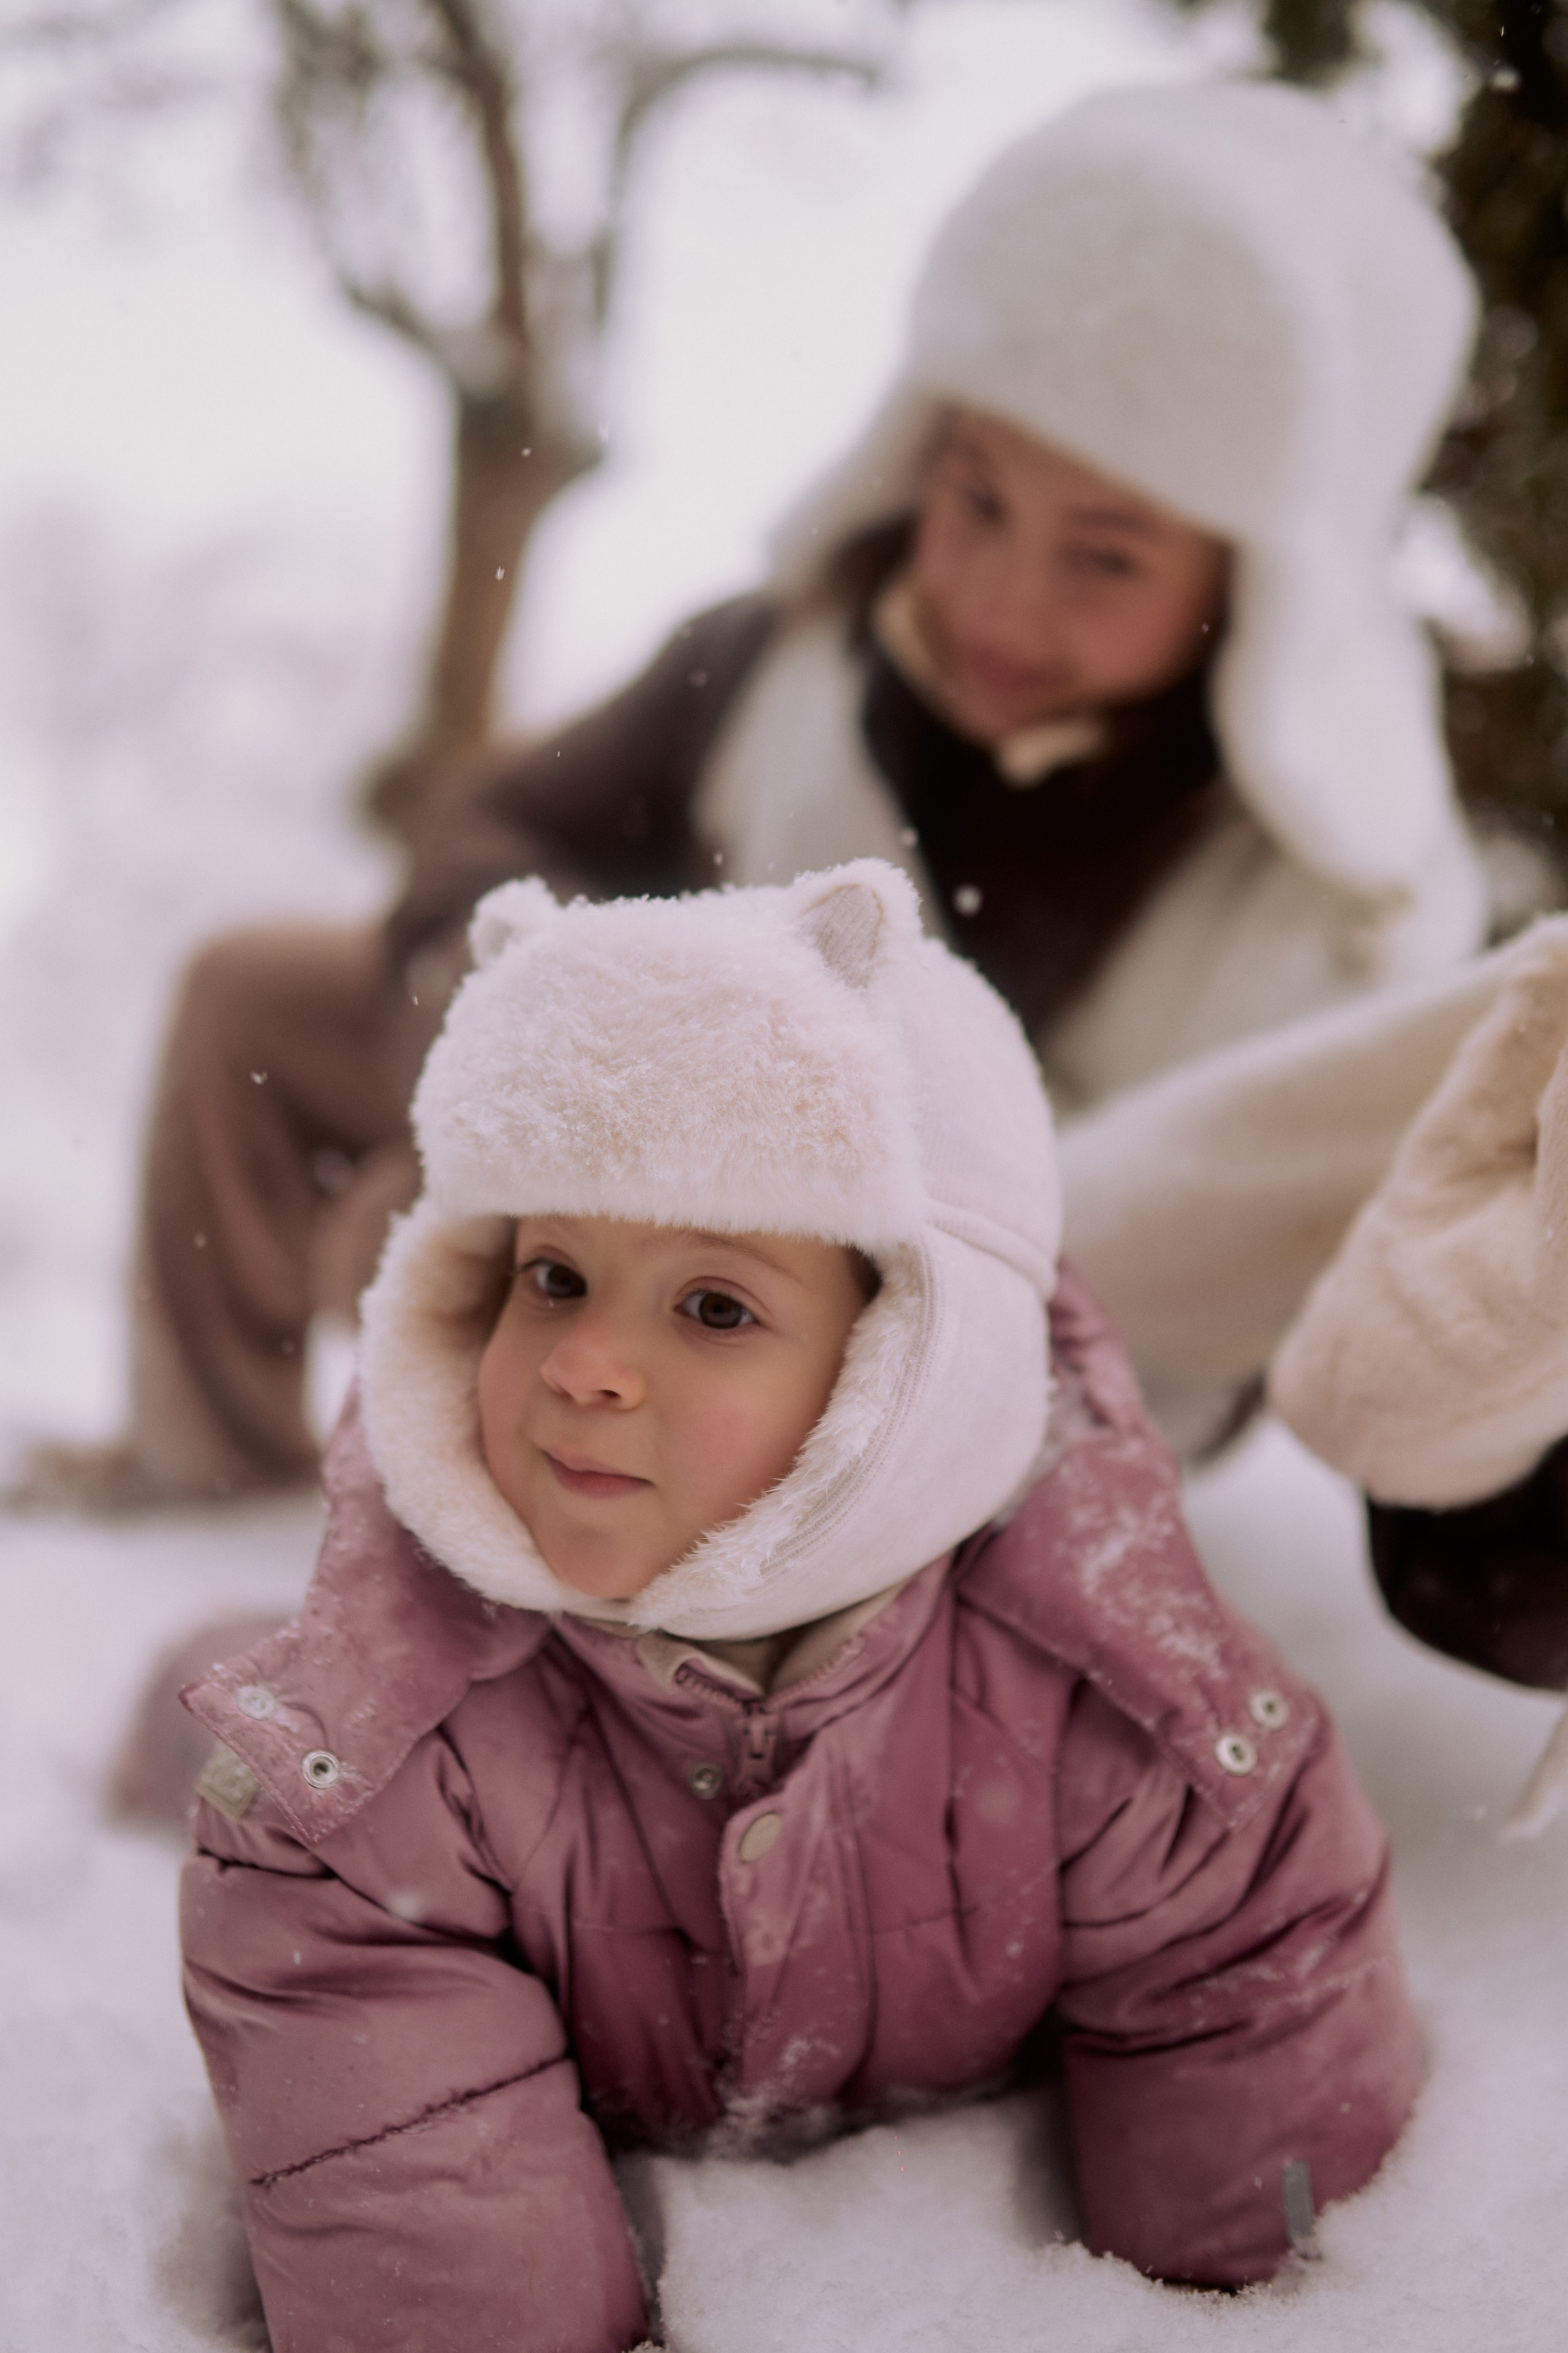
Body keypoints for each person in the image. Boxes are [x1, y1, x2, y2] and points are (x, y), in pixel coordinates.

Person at [22, 78, 1487, 1508]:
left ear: (1249, 579)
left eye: (1102, 556)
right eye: (973, 500)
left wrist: (616, 1201)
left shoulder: (1322, 894)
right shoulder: (783, 653)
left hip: (959, 1344)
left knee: (496, 1288)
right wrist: (530, 1064)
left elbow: (1173, 1273)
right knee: (259, 995)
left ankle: (562, 1624)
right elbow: (496, 828)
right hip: (646, 1154)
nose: (998, 597)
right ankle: (206, 1473)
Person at [179, 864, 1420, 2348]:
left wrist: (1240, 2290)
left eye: (712, 1306)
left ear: (915, 1366)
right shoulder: (362, 1786)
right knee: (230, 1717)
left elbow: (1255, 2058)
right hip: (417, 1831)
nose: (586, 1365)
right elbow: (423, 2217)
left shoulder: (1127, 1710)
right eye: (554, 1275)